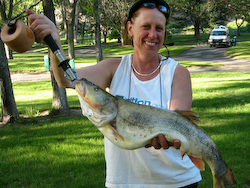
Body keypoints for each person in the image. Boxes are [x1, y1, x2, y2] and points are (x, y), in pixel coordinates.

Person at [26, 0, 201, 187]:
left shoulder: (177, 73)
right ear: (130, 28)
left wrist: (168, 138)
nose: (153, 34)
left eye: (159, 28)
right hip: (123, 182)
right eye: (146, 26)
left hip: (176, 183)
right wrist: (55, 41)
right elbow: (67, 79)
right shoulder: (114, 68)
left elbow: (179, 126)